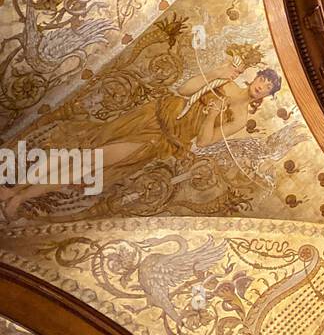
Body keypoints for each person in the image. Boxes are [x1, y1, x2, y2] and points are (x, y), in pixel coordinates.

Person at [0, 59, 282, 218]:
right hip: (152, 118)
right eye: (262, 80)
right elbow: (185, 91)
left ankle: (20, 195)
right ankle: (16, 191)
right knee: (83, 154)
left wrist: (210, 116)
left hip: (161, 139)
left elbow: (206, 142)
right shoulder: (225, 83)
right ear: (255, 77)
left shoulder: (241, 117)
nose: (261, 87)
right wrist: (215, 71)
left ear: (267, 97)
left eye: (267, 88)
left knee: (87, 163)